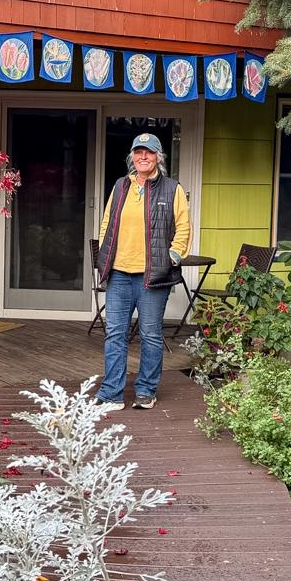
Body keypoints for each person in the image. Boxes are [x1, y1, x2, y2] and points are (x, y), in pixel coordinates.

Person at [94, 133, 191, 411]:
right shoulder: (120, 185)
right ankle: (111, 393)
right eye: (138, 152)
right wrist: (104, 252)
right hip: (119, 274)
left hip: (152, 275)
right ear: (132, 156)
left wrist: (173, 255)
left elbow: (183, 226)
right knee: (115, 334)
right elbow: (107, 223)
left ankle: (146, 391)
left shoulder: (172, 188)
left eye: (149, 152)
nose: (143, 157)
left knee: (149, 334)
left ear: (158, 157)